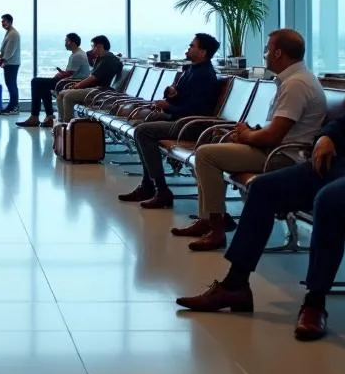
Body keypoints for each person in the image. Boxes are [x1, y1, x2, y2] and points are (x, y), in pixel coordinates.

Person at [176, 27, 345, 342]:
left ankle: (314, 302)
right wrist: (326, 137)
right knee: (264, 188)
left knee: (329, 200)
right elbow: (342, 124)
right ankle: (235, 285)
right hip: (344, 165)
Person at [171, 29, 327, 251]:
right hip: (277, 149)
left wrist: (247, 136)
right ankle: (208, 219)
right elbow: (279, 127)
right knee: (213, 147)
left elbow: (274, 136)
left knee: (206, 155)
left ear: (278, 53)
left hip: (284, 157)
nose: (264, 54)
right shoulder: (294, 80)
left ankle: (215, 229)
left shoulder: (296, 84)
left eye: (267, 49)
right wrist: (249, 132)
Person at [119, 32, 224, 210]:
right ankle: (148, 184)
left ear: (203, 52)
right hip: (181, 120)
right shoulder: (192, 70)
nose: (188, 48)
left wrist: (167, 107)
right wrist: (171, 94)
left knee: (143, 131)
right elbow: (181, 98)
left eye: (192, 46)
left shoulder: (204, 76)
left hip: (191, 126)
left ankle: (160, 189)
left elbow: (195, 110)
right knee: (141, 124)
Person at [17, 32, 90, 129]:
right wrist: (61, 73)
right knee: (41, 85)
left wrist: (59, 74)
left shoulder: (77, 55)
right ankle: (48, 117)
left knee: (35, 81)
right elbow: (72, 72)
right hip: (71, 81)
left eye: (66, 41)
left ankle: (36, 117)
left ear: (72, 43)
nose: (65, 43)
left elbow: (69, 73)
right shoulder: (79, 53)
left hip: (71, 83)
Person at [55, 36, 124, 123]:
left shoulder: (108, 59)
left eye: (93, 46)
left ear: (99, 46)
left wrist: (77, 86)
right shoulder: (101, 58)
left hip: (101, 92)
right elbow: (92, 76)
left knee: (68, 96)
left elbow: (93, 78)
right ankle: (61, 123)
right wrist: (77, 85)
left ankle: (68, 125)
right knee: (61, 94)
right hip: (95, 89)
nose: (92, 49)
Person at [0, 13, 21, 115]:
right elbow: (6, 49)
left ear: (10, 22)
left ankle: (13, 107)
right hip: (10, 63)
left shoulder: (13, 34)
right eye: (2, 21)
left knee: (11, 85)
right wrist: (1, 58)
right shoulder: (9, 32)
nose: (2, 23)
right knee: (11, 84)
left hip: (11, 63)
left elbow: (10, 51)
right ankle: (13, 106)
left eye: (4, 21)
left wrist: (2, 60)